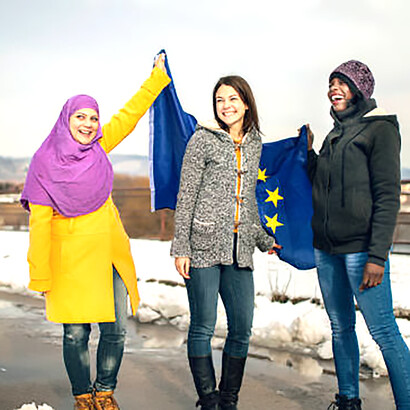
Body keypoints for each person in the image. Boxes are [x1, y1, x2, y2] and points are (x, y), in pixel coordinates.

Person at [21, 55, 170, 410]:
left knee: (115, 329)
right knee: (75, 334)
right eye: (80, 117)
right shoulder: (43, 163)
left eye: (93, 118)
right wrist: (40, 274)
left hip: (108, 254)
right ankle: (82, 395)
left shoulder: (99, 147)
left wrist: (156, 78)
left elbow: (129, 116)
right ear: (66, 120)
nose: (88, 124)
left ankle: (104, 391)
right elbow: (39, 225)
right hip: (68, 260)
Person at [171, 75, 280, 410]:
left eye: (233, 99)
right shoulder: (202, 140)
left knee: (242, 328)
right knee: (203, 326)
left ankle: (228, 398)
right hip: (202, 246)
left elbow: (249, 200)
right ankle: (208, 399)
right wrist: (181, 247)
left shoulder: (255, 143)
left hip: (239, 251)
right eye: (220, 100)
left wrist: (263, 239)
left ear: (246, 102)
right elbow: (186, 194)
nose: (226, 105)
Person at [307, 60, 410, 410]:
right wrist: (306, 154)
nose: (334, 88)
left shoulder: (380, 130)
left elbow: (387, 196)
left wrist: (377, 257)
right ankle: (348, 399)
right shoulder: (335, 134)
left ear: (360, 89)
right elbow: (321, 184)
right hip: (327, 248)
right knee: (340, 327)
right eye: (331, 82)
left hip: (361, 251)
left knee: (384, 332)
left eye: (342, 83)